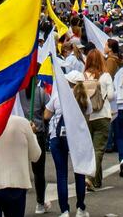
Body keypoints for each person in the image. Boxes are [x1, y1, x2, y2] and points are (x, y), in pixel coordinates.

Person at [44, 70, 90, 217]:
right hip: (77, 138)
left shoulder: (58, 96)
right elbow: (87, 118)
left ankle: (64, 210)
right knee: (80, 172)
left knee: (61, 174)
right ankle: (80, 208)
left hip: (57, 137)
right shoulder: (84, 98)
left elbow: (46, 115)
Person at [83, 49, 114, 190]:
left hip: (87, 116)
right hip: (103, 115)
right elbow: (112, 96)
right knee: (99, 149)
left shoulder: (83, 76)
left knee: (92, 149)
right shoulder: (106, 76)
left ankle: (97, 180)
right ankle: (89, 178)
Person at [18, 82, 50, 213]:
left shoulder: (16, 93)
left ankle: (18, 205)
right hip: (37, 134)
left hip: (18, 133)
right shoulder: (41, 92)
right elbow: (48, 112)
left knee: (19, 170)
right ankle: (40, 203)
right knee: (38, 171)